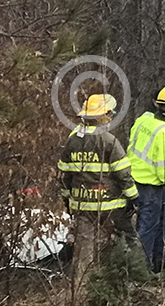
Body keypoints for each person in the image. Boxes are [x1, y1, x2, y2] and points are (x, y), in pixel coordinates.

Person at [57, 94, 139, 289]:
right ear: (100, 116)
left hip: (82, 205)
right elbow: (123, 174)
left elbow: (64, 175)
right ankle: (132, 279)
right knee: (126, 241)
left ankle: (81, 288)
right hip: (111, 205)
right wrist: (133, 197)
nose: (111, 116)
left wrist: (67, 199)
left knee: (84, 250)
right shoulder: (109, 141)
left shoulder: (73, 141)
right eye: (109, 113)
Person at [128, 86, 165, 273]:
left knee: (151, 223)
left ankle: (156, 263)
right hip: (152, 185)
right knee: (148, 227)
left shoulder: (143, 121)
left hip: (135, 180)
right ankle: (142, 270)